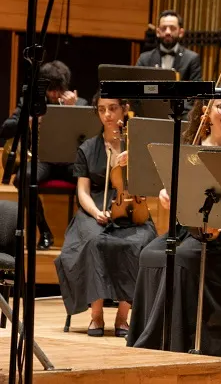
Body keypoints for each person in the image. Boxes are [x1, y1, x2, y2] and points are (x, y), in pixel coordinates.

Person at [127, 90, 221, 362]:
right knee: (151, 253)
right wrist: (167, 193)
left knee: (183, 258)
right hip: (198, 227)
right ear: (206, 112)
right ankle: (154, 339)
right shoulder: (195, 142)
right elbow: (182, 185)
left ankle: (181, 342)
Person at [55, 94, 157, 336]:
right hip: (94, 210)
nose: (108, 115)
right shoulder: (88, 148)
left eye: (113, 108)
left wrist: (135, 162)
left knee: (140, 242)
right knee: (93, 241)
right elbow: (82, 191)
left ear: (124, 109)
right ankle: (96, 314)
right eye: (102, 110)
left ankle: (123, 317)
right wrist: (95, 211)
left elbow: (151, 184)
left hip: (130, 209)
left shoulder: (136, 146)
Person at [1, 60, 87, 249]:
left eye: (59, 90)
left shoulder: (80, 104)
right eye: (50, 90)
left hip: (70, 161)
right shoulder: (31, 104)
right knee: (23, 178)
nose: (54, 94)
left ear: (66, 87)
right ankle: (45, 230)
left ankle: (81, 233)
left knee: (91, 178)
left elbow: (89, 139)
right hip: (41, 160)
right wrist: (29, 121)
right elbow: (5, 129)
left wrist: (73, 111)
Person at [136, 10, 202, 81]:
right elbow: (137, 86)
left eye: (172, 28)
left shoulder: (191, 59)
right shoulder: (145, 59)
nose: (168, 32)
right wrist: (155, 87)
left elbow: (196, 87)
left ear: (181, 32)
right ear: (158, 32)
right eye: (163, 28)